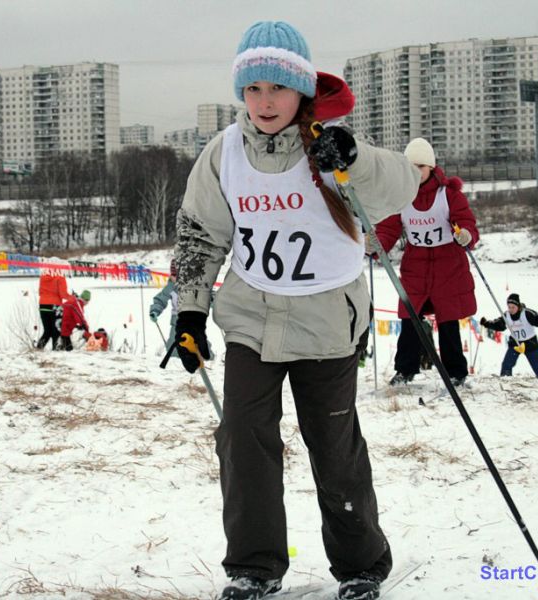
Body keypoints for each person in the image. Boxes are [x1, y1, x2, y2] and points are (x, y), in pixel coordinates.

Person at [172, 21, 420, 600]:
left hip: (328, 322)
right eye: (253, 89)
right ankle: (254, 567)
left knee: (333, 447)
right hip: (251, 322)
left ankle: (361, 564)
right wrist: (190, 311)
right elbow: (199, 232)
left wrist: (353, 159)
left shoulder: (330, 147)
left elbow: (401, 187)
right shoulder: (224, 152)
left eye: (277, 89)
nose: (264, 102)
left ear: (302, 90)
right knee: (242, 439)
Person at [376, 137, 479, 388]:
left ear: (431, 167)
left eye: (420, 167)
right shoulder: (401, 197)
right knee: (410, 318)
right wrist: (377, 245)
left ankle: (456, 372)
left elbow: (465, 221)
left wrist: (466, 235)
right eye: (411, 167)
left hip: (448, 265)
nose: (416, 172)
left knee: (448, 320)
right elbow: (389, 228)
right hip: (416, 265)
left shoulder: (449, 194)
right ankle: (405, 370)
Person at [480, 293, 538, 379]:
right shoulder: (506, 315)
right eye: (509, 307)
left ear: (518, 306)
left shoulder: (526, 313)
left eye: (513, 307)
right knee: (506, 364)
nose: (511, 309)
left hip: (530, 343)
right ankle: (506, 379)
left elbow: (537, 319)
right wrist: (487, 323)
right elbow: (499, 324)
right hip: (515, 343)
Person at [36, 265, 69, 350]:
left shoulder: (43, 276)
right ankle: (55, 350)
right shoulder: (60, 276)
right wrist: (73, 298)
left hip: (43, 305)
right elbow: (63, 294)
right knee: (56, 331)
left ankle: (38, 349)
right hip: (55, 306)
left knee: (47, 331)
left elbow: (40, 292)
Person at [150, 260, 178, 356]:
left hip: (194, 320)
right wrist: (155, 311)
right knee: (173, 348)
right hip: (177, 321)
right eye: (172, 275)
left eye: (176, 275)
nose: (174, 278)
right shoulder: (171, 287)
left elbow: (206, 295)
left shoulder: (193, 285)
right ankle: (174, 360)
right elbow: (161, 300)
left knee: (199, 345)